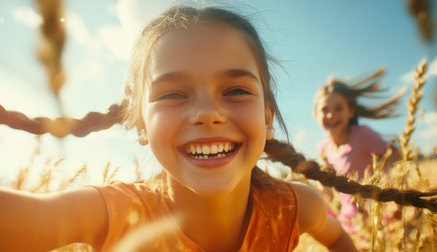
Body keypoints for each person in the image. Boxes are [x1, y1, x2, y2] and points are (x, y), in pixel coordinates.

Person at [0, 5, 358, 252]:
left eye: (236, 90)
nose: (207, 113)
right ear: (140, 123)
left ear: (267, 115)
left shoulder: (296, 206)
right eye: (172, 94)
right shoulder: (115, 212)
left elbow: (340, 239)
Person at [314, 70, 402, 233]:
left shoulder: (362, 134)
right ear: (315, 115)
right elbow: (328, 189)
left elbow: (395, 154)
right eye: (325, 109)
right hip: (347, 222)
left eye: (339, 108)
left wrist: (395, 198)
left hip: (376, 220)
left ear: (351, 112)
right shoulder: (323, 148)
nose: (331, 114)